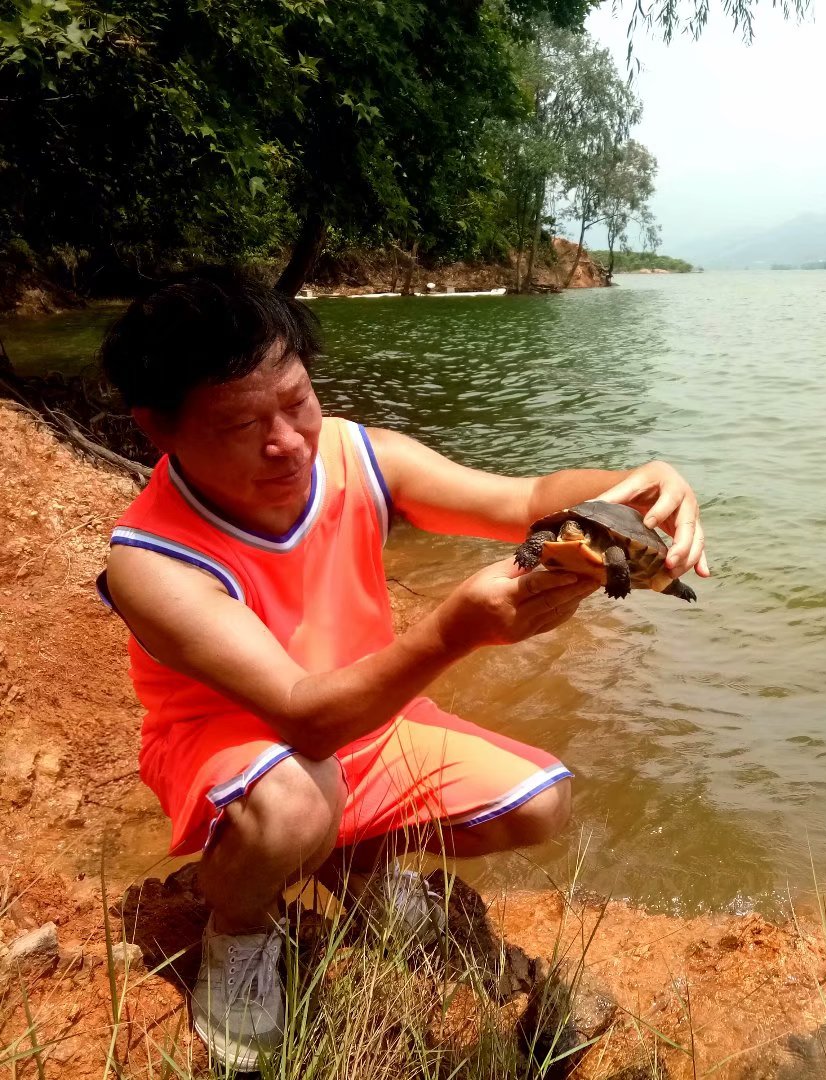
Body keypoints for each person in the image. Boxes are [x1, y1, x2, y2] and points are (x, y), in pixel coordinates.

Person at [96, 268, 709, 1069]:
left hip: (367, 715)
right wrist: (455, 630)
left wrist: (635, 490)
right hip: (236, 745)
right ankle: (238, 931)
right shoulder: (152, 560)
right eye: (241, 424)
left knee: (541, 803)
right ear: (158, 428)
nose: (288, 442)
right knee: (294, 799)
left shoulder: (362, 456)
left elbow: (526, 501)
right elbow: (302, 715)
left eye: (297, 401)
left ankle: (355, 870)